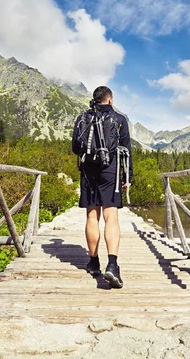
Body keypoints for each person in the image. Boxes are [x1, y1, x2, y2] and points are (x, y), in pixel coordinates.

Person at [71, 86, 133, 288]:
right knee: (111, 216)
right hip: (110, 170)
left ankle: (94, 261)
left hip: (88, 170)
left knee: (92, 216)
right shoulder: (120, 119)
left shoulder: (82, 118)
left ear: (94, 100)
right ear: (110, 99)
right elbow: (126, 150)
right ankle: (113, 265)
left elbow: (74, 148)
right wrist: (127, 176)